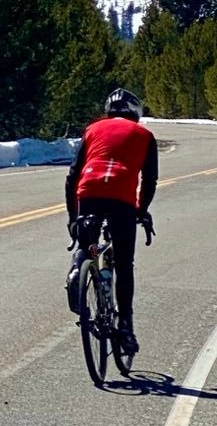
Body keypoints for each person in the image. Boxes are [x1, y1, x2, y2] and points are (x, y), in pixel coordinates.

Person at [65, 88, 157, 354]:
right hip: (121, 197)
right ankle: (125, 327)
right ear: (135, 113)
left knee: (88, 246)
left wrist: (73, 218)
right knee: (124, 263)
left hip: (89, 190)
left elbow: (73, 175)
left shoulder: (92, 130)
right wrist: (142, 209)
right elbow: (149, 180)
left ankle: (79, 266)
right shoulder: (145, 135)